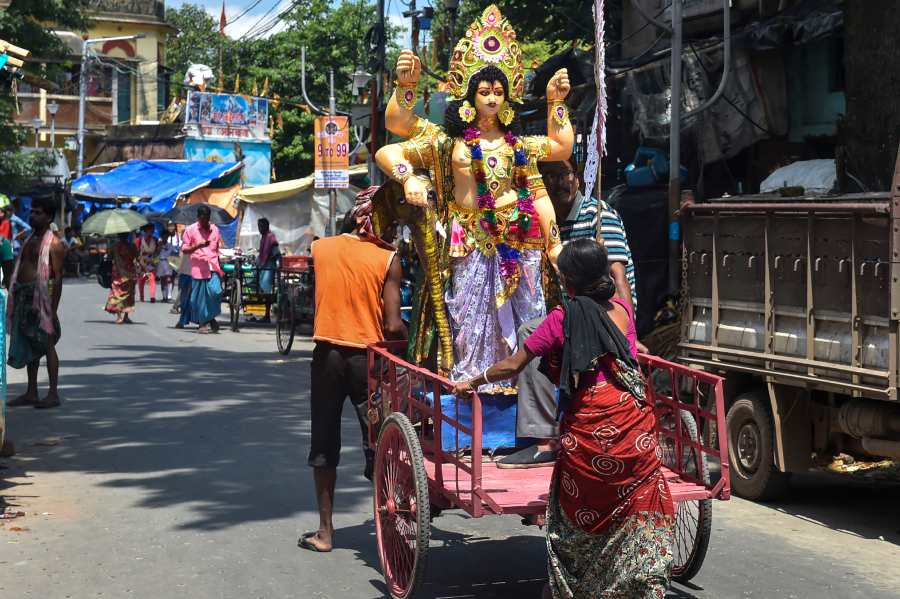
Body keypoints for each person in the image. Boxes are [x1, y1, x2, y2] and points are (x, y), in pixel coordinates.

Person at [452, 239, 674, 599]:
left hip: (589, 432)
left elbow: (513, 365)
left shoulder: (560, 319)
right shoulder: (623, 311)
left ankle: (581, 585)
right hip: (635, 427)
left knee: (575, 507)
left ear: (568, 281)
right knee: (635, 499)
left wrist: (472, 382)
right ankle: (639, 578)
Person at [375, 5, 573, 385]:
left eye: (499, 91)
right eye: (485, 91)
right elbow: (394, 136)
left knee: (529, 321)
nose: (493, 98)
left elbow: (558, 152)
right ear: (470, 96)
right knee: (469, 322)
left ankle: (527, 394)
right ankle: (473, 386)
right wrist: (409, 178)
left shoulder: (520, 146)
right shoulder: (449, 144)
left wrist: (555, 102)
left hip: (520, 241)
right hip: (470, 243)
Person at [497, 157, 639, 468]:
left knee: (530, 333)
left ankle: (545, 440)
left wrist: (626, 329)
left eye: (563, 174)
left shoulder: (598, 215)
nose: (557, 183)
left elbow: (617, 276)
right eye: (546, 176)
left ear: (576, 177)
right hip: (579, 312)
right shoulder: (541, 218)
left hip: (605, 313)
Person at [300, 194, 406, 554]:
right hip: (369, 361)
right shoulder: (388, 258)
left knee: (324, 440)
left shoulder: (321, 249)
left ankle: (326, 533)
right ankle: (390, 525)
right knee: (379, 441)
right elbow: (391, 325)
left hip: (327, 355)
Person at [6, 196, 67, 409]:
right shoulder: (29, 239)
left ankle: (53, 394)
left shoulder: (55, 244)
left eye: (38, 212)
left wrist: (52, 309)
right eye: (32, 211)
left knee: (47, 343)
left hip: (41, 299)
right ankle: (31, 392)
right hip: (23, 296)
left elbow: (58, 278)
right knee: (30, 343)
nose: (33, 215)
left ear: (49, 216)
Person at [181, 205, 222, 334]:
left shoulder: (215, 229)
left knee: (215, 292)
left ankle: (210, 317)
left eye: (207, 219)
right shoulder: (190, 230)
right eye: (203, 219)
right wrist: (197, 246)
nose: (205, 222)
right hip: (199, 268)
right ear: (198, 218)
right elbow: (184, 249)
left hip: (213, 266)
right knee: (198, 299)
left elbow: (216, 248)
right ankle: (203, 323)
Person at [105, 232, 139, 324]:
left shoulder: (114, 246)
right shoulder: (132, 246)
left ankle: (120, 317)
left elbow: (108, 258)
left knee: (117, 295)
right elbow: (138, 257)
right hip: (129, 274)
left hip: (118, 274)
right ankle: (126, 316)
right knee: (128, 296)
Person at [256, 218, 279, 317]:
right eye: (259, 226)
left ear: (266, 226)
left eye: (261, 226)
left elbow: (275, 251)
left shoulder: (270, 236)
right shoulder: (264, 237)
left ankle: (267, 315)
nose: (260, 229)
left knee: (267, 290)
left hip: (269, 266)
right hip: (264, 265)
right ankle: (266, 314)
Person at [136, 224, 158, 303]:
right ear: (145, 231)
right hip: (141, 262)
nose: (151, 232)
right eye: (150, 230)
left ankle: (152, 297)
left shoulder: (155, 240)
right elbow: (136, 253)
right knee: (141, 281)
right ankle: (142, 297)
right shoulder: (139, 240)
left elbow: (156, 253)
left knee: (152, 279)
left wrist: (155, 262)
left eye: (152, 230)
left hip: (151, 262)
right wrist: (141, 263)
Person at [156, 227, 178, 303]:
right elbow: (157, 252)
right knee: (162, 280)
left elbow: (174, 253)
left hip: (168, 263)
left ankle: (169, 296)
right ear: (161, 236)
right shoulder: (159, 244)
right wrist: (159, 246)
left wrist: (175, 265)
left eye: (166, 236)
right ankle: (164, 297)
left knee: (169, 279)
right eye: (163, 236)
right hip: (161, 263)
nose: (165, 237)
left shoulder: (170, 245)